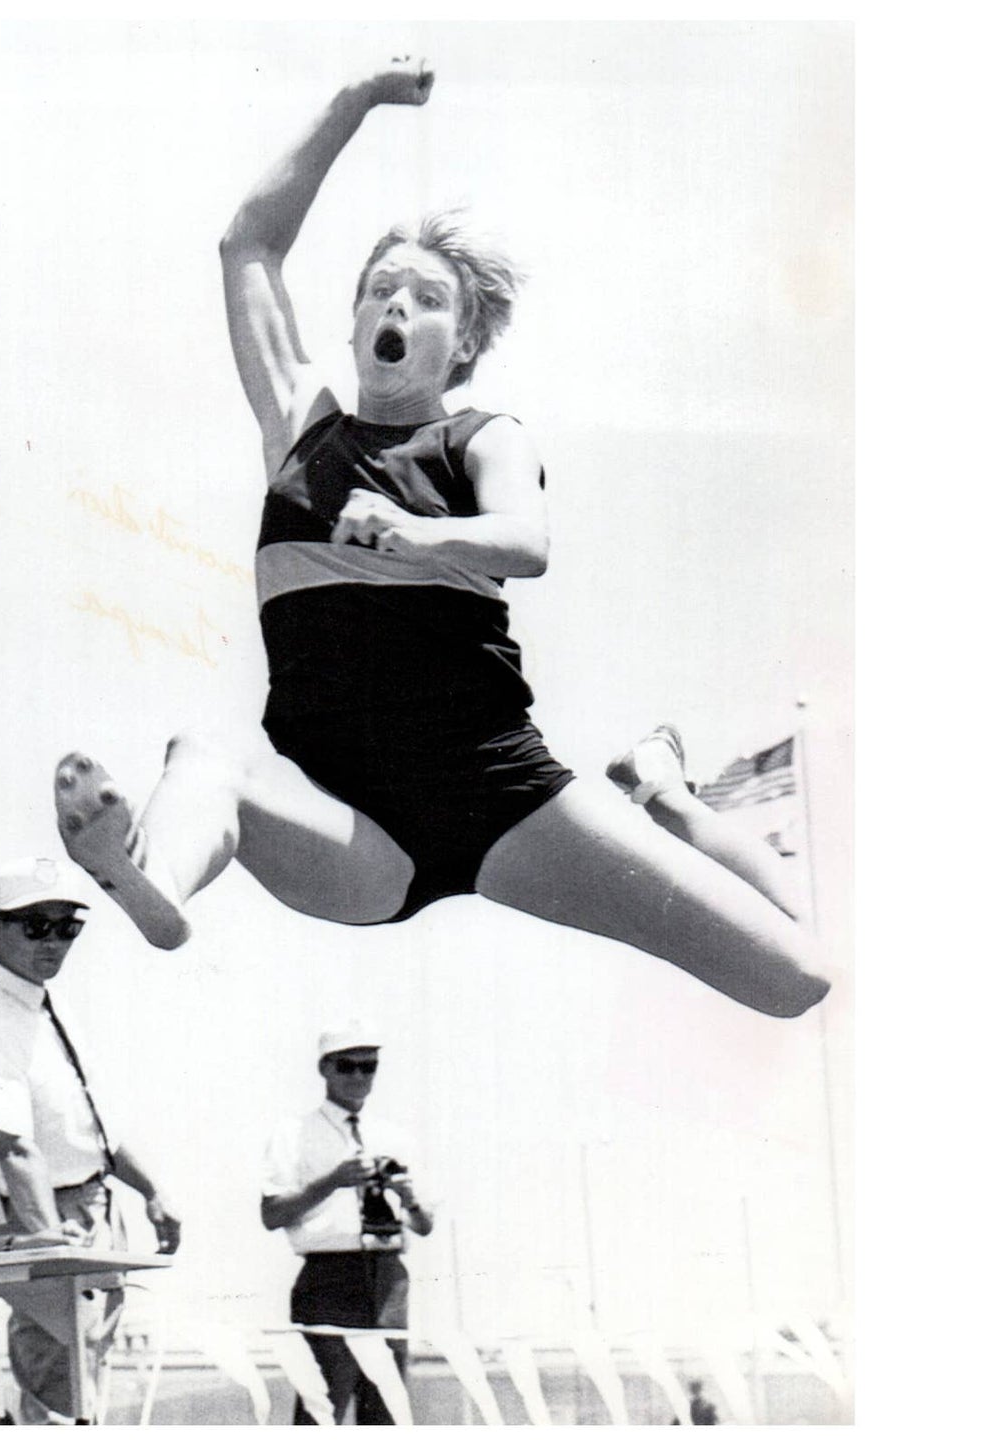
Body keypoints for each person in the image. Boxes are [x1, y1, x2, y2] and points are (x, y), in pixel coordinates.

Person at [52, 58, 828, 1021]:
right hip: (349, 827)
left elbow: (524, 541)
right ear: (352, 319)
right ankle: (152, 879)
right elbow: (247, 243)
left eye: (423, 299)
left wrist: (418, 537)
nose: (394, 308)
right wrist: (353, 102)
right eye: (380, 290)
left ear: (460, 343)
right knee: (201, 759)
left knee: (797, 981)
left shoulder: (480, 436)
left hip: (501, 795)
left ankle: (666, 795)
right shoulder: (301, 425)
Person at [0, 856, 182, 1425]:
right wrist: (51, 1252)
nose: (53, 941)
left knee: (91, 1379)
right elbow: (11, 1145)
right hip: (46, 1216)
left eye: (67, 927)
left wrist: (153, 1191)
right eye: (35, 925)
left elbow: (93, 1127)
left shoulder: (48, 1000)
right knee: (56, 1386)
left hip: (96, 1205)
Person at [261, 1021, 434, 1425]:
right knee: (322, 1410)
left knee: (387, 1412)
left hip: (389, 1278)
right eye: (346, 1066)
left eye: (368, 1066)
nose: (358, 1076)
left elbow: (425, 1224)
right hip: (329, 1277)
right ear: (324, 1068)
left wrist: (408, 1198)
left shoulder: (395, 1136)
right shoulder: (293, 1133)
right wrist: (333, 1181)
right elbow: (271, 1214)